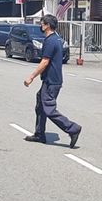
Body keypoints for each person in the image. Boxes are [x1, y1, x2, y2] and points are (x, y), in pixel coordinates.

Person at [23, 14, 82, 148]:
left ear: (48, 25)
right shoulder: (57, 39)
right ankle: (39, 134)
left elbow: (45, 62)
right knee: (40, 104)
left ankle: (73, 128)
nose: (41, 26)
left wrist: (31, 77)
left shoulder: (50, 41)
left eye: (42, 23)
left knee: (48, 108)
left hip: (52, 81)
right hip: (51, 80)